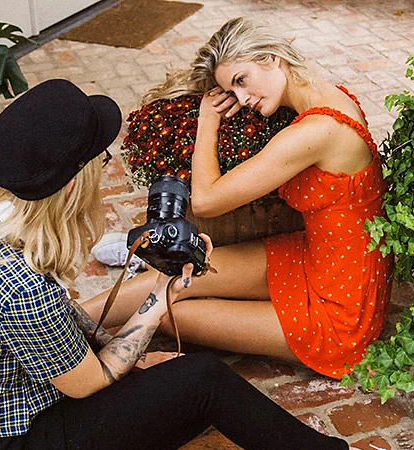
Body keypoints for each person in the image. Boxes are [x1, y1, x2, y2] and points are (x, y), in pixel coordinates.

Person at [0, 78, 350, 450]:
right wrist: (160, 295)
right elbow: (88, 383)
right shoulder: (22, 286)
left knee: (152, 370)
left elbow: (48, 324)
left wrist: (128, 358)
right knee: (204, 380)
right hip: (16, 437)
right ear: (74, 182)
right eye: (101, 158)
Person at [84, 17, 393, 380]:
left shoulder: (318, 131)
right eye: (232, 89)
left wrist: (208, 121)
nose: (242, 99)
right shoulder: (326, 94)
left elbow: (206, 202)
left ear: (273, 58)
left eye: (241, 80)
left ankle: (85, 363)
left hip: (340, 306)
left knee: (165, 311)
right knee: (170, 279)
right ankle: (65, 318)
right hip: (318, 256)